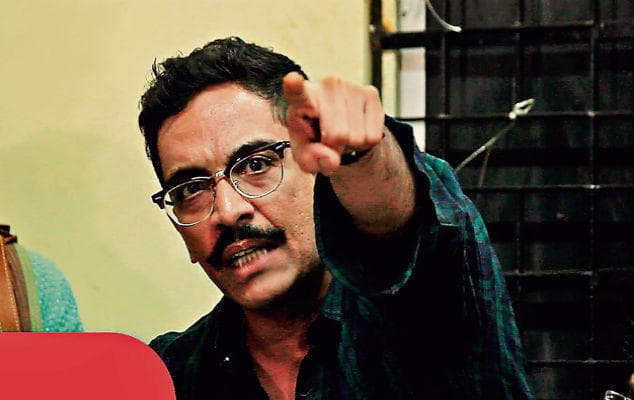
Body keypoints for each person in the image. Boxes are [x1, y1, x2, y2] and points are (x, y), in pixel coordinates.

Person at [138, 37, 533, 399]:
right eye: (191, 189)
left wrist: (363, 158)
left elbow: (410, 232)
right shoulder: (171, 375)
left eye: (257, 164)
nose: (227, 211)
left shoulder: (424, 318)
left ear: (320, 166)